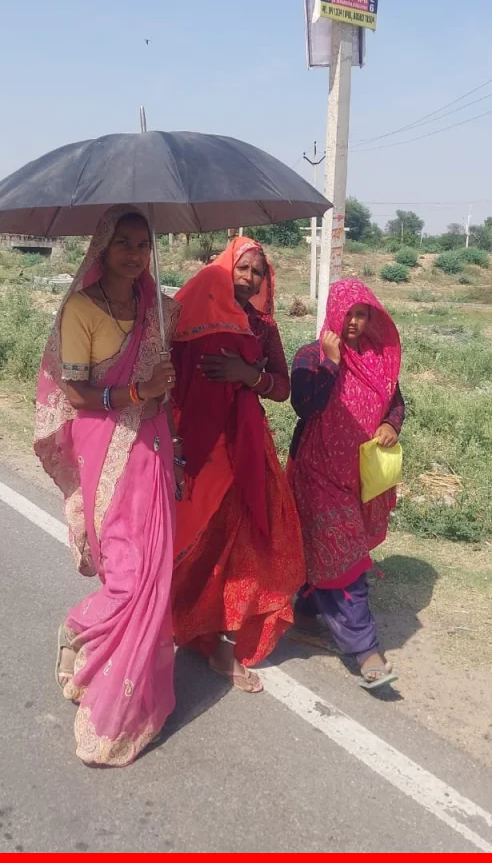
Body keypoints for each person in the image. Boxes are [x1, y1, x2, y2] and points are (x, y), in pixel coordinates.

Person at [34, 205, 182, 767]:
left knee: (155, 571)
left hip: (154, 447)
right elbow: (74, 393)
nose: (134, 253)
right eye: (123, 242)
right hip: (107, 446)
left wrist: (160, 387)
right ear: (102, 248)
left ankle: (120, 671)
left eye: (143, 244)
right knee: (128, 575)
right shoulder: (82, 309)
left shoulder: (156, 311)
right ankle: (82, 629)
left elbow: (159, 390)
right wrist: (140, 392)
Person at [168, 238, 305, 694]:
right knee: (194, 544)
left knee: (248, 549)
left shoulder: (263, 327)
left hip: (247, 450)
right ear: (224, 269)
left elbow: (283, 389)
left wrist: (251, 378)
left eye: (257, 272)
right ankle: (174, 621)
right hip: (202, 449)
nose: (249, 278)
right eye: (241, 268)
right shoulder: (194, 313)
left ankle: (224, 647)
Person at [287, 278, 405, 692]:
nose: (354, 322)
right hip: (316, 472)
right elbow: (302, 403)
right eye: (348, 313)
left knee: (323, 550)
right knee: (346, 558)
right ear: (334, 313)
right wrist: (333, 363)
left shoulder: (376, 360)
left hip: (357, 476)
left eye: (362, 314)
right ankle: (366, 652)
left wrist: (391, 423)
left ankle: (304, 608)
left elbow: (396, 400)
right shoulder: (309, 355)